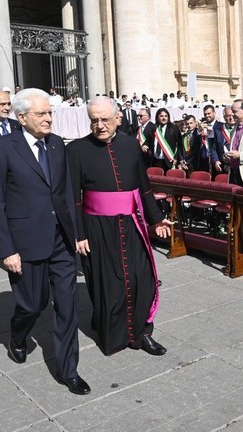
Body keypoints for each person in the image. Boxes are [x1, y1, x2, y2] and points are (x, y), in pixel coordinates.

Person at [0, 88, 89, 395]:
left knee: (67, 306)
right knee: (32, 304)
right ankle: (18, 335)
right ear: (21, 117)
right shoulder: (2, 147)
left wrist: (78, 233)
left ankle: (68, 369)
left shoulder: (57, 144)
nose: (48, 118)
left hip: (61, 241)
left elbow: (67, 194)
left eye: (49, 112)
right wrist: (6, 249)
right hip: (25, 242)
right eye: (41, 114)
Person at [67, 96, 173, 356]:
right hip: (96, 228)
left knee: (143, 278)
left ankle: (144, 333)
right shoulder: (77, 150)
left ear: (118, 118)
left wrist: (156, 218)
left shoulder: (130, 145)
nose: (100, 125)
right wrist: (79, 235)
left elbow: (143, 186)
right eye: (94, 120)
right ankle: (112, 334)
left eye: (105, 119)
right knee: (107, 282)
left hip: (131, 224)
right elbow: (73, 198)